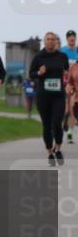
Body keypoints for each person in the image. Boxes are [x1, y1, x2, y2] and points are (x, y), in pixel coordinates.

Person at [29, 32, 70, 166]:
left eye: (53, 39)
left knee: (57, 122)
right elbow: (31, 74)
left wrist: (67, 79)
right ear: (44, 41)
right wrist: (39, 73)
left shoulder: (62, 56)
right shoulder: (39, 57)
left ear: (56, 41)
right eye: (48, 39)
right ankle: (49, 152)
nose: (51, 41)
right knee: (47, 125)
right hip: (43, 97)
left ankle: (57, 147)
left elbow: (67, 72)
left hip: (58, 96)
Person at [61, 30, 77, 142]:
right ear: (67, 39)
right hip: (64, 81)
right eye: (70, 39)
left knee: (71, 107)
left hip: (74, 83)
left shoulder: (77, 51)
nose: (72, 41)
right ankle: (64, 121)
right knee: (66, 109)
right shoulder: (62, 51)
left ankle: (70, 131)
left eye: (74, 39)